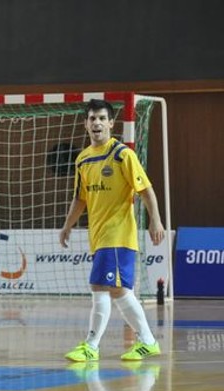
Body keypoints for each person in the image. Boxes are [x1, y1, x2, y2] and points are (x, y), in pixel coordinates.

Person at [60, 99, 165, 363]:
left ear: (110, 123)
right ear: (86, 124)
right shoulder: (83, 159)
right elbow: (80, 198)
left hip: (118, 235)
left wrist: (156, 220)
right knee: (118, 291)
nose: (96, 123)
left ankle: (92, 346)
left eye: (101, 118)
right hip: (98, 236)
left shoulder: (122, 154)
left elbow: (146, 190)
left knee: (101, 286)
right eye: (92, 118)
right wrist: (67, 225)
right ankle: (148, 342)